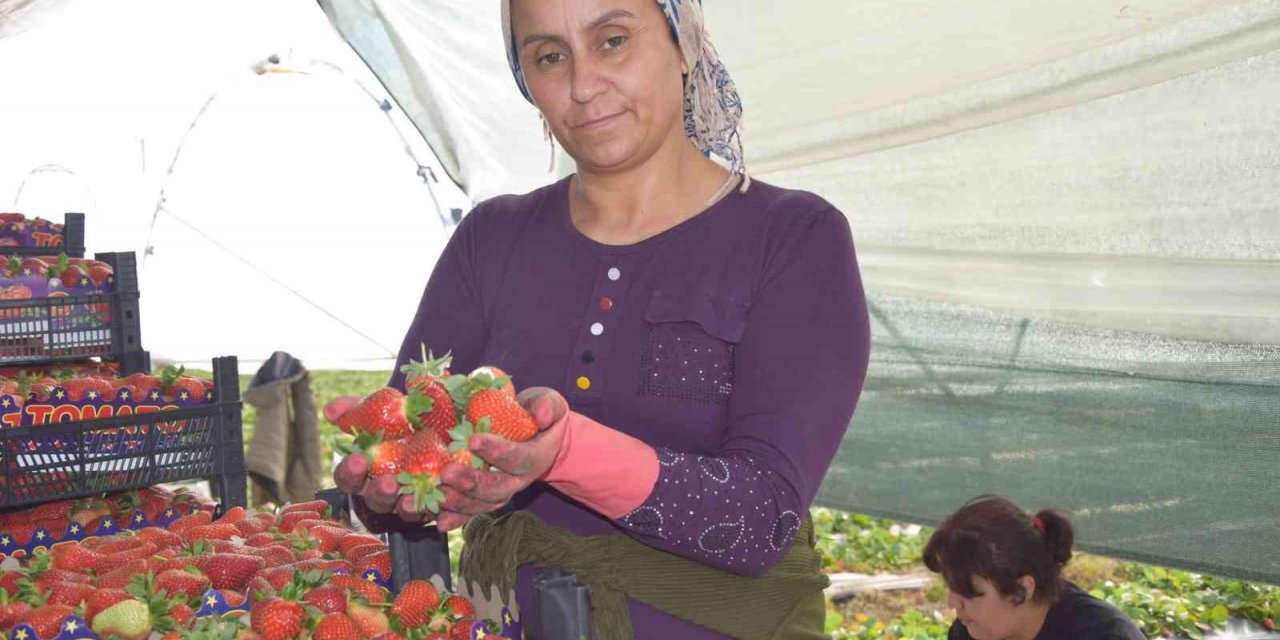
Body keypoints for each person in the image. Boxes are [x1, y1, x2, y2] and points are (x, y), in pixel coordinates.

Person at [332, 0, 871, 637]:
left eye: (612, 40)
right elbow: (408, 450)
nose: (584, 86)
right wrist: (392, 490)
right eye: (549, 57)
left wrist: (563, 452)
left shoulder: (792, 239)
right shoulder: (493, 238)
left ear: (684, 44)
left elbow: (760, 521)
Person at [924, 495, 1145, 640]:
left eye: (970, 592)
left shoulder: (1105, 635)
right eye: (951, 587)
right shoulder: (972, 631)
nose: (953, 603)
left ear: (1022, 590)